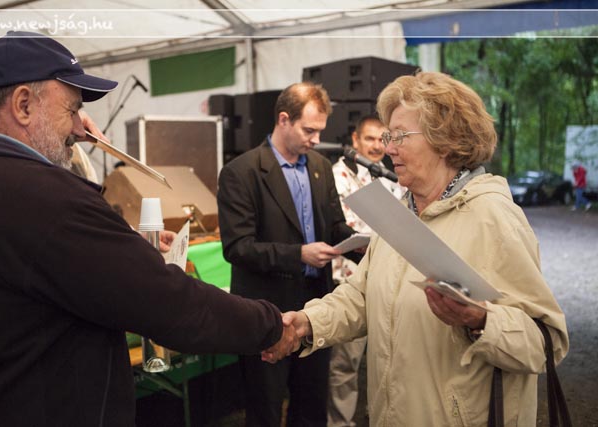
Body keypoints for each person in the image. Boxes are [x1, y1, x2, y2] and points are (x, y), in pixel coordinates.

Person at [0, 31, 298, 426]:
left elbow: (38, 265)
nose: (80, 130)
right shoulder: (42, 196)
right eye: (72, 110)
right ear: (22, 105)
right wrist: (270, 325)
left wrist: (123, 246)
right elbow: (172, 305)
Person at [266, 72, 569, 426]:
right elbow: (360, 296)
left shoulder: (494, 218)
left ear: (446, 141)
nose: (388, 148)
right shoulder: (400, 212)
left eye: (399, 136)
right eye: (388, 136)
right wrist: (306, 324)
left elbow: (546, 343)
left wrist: (481, 321)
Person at [217, 81, 356, 426]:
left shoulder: (320, 167)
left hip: (316, 306)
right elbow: (238, 247)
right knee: (265, 407)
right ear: (283, 120)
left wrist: (366, 244)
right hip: (267, 310)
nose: (316, 139)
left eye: (320, 131)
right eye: (309, 130)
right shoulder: (241, 172)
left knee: (311, 406)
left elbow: (335, 227)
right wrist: (299, 255)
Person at [328, 114, 403, 427]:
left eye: (382, 139)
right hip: (350, 279)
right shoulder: (336, 176)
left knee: (389, 361)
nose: (376, 146)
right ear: (355, 140)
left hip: (388, 281)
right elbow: (342, 227)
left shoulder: (390, 177)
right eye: (369, 138)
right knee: (345, 363)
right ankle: (339, 423)